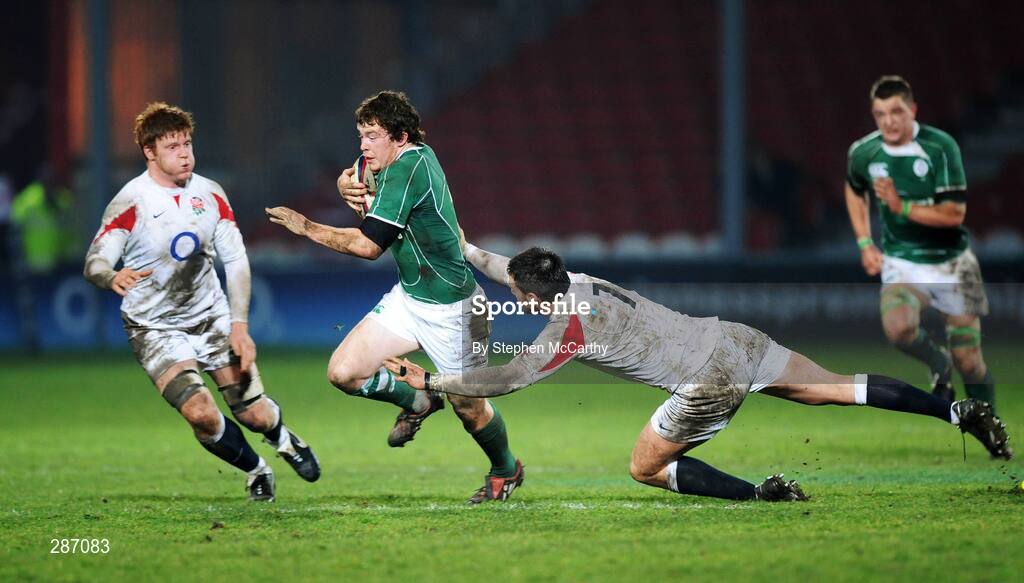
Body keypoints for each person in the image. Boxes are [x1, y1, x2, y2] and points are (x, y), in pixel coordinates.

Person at [384, 241, 1012, 502]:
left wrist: (432, 382)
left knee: (643, 468)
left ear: (530, 296)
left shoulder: (564, 331)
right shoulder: (579, 281)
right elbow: (509, 266)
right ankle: (958, 411)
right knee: (838, 389)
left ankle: (760, 494)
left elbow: (502, 381)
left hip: (705, 380)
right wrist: (463, 248)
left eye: (518, 292)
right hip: (732, 338)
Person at [265, 91, 523, 503]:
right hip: (409, 298)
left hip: (455, 308)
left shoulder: (411, 167)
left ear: (400, 137)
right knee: (344, 372)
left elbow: (369, 246)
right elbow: (367, 194)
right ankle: (419, 399)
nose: (363, 145)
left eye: (371, 135)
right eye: (361, 135)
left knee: (470, 408)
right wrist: (344, 185)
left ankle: (506, 469)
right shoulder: (394, 158)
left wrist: (307, 227)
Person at [84, 102, 320, 502]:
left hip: (211, 317)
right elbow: (95, 261)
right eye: (173, 146)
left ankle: (283, 439)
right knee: (200, 413)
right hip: (153, 327)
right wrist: (111, 275)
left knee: (253, 413)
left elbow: (236, 261)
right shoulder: (131, 202)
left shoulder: (210, 194)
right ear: (150, 151)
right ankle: (257, 470)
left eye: (188, 144)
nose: (184, 153)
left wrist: (239, 325)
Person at [844, 76, 995, 410]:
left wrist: (903, 207)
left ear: (912, 110)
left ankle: (989, 421)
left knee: (969, 361)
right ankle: (939, 363)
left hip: (954, 261)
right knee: (898, 330)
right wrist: (866, 243)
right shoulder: (864, 152)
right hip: (902, 262)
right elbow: (854, 189)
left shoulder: (941, 147)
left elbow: (954, 213)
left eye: (896, 112)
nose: (888, 121)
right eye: (880, 114)